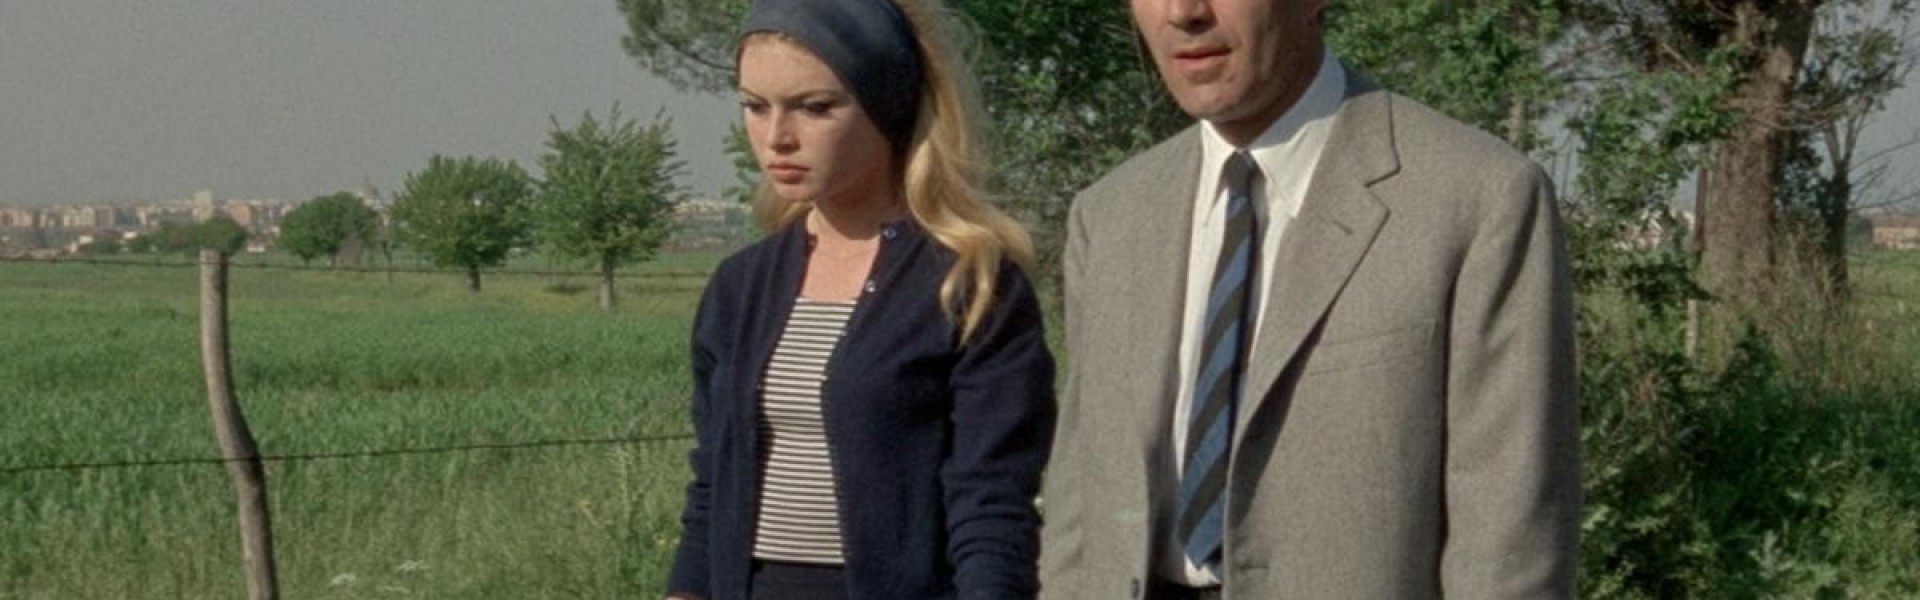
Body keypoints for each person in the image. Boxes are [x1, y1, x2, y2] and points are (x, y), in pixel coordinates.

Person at [1039, 0, 1581, 597]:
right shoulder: (1109, 216)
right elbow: (1078, 507)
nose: (1183, 12)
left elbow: (1510, 548)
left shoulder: (1477, 199)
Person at [664, 0, 1056, 598]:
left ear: (885, 106)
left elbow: (991, 506)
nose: (777, 138)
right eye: (755, 106)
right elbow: (712, 487)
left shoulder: (969, 284)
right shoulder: (740, 286)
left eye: (815, 107)